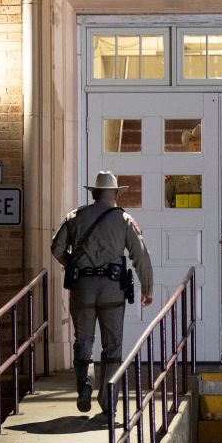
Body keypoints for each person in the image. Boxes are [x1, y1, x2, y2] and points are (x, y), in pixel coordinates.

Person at [51, 171, 153, 415]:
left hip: (82, 290)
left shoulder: (75, 216)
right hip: (112, 290)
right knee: (112, 347)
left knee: (83, 341)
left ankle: (84, 387)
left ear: (93, 193)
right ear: (116, 194)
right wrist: (147, 288)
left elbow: (56, 248)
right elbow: (141, 255)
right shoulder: (124, 219)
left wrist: (72, 263)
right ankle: (108, 401)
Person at [165, 124, 202, 208]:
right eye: (195, 144)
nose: (198, 148)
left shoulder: (215, 170)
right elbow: (167, 201)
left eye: (201, 144)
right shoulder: (178, 171)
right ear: (188, 148)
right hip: (184, 218)